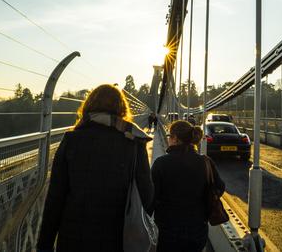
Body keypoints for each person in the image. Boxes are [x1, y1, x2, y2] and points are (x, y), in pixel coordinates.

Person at [36, 84, 153, 252]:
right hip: (118, 238)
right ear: (121, 109)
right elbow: (147, 196)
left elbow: (55, 198)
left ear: (89, 106)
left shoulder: (71, 140)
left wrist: (44, 245)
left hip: (74, 238)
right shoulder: (134, 142)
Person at [152, 120, 225, 252]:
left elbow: (151, 196)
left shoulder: (161, 164)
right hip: (197, 230)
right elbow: (220, 187)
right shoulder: (205, 162)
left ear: (175, 139)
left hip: (168, 231)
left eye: (169, 136)